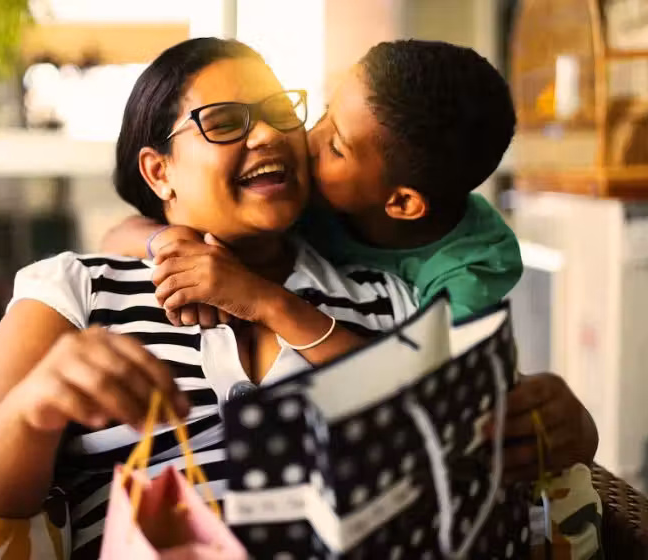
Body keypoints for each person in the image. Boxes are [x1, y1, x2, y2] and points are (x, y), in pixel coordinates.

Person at [0, 38, 416, 560]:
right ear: (158, 172)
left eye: (279, 111)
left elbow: (435, 452)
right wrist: (36, 407)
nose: (267, 134)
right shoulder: (77, 290)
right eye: (225, 121)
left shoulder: (386, 299)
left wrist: (265, 301)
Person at [101, 40, 598, 483]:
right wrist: (170, 242)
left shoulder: (463, 270)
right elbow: (120, 233)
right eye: (321, 113)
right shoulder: (315, 194)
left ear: (400, 202)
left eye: (335, 143)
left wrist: (574, 423)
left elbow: (441, 399)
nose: (299, 139)